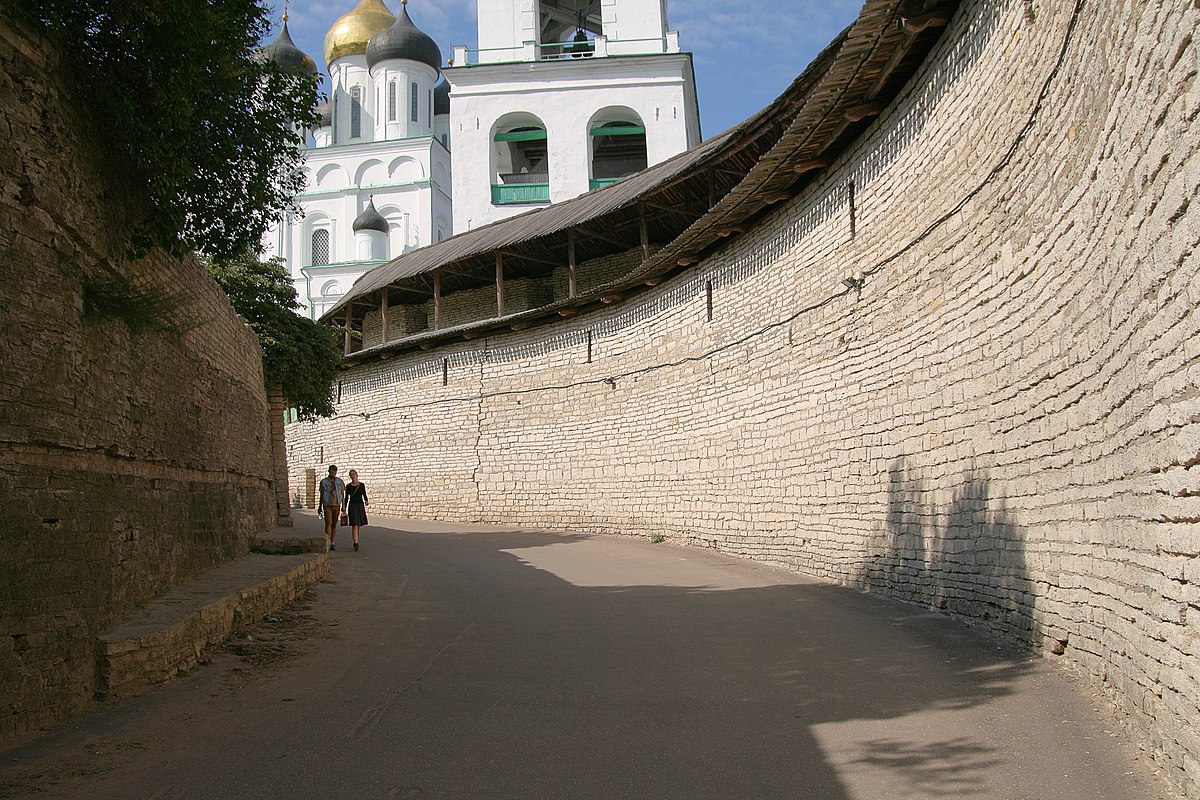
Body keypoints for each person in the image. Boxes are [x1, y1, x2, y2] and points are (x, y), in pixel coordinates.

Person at [318, 464, 345, 551]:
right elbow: (321, 495)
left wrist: (343, 506)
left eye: (334, 473)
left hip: (336, 504)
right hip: (327, 504)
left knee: (334, 524)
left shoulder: (340, 482)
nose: (333, 474)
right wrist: (320, 506)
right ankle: (328, 542)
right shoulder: (324, 482)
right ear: (329, 472)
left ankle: (332, 542)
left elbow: (342, 494)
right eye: (332, 473)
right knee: (328, 523)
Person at [345, 469, 368, 551]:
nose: (352, 476)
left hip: (360, 505)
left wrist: (366, 500)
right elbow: (346, 498)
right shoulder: (348, 486)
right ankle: (355, 543)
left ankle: (356, 539)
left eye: (354, 474)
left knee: (358, 525)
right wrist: (344, 508)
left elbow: (364, 494)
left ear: (356, 475)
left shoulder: (361, 485)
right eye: (351, 474)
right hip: (352, 506)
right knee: (354, 525)